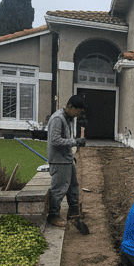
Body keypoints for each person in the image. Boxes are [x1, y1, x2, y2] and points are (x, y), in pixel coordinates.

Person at [46, 94, 87, 231]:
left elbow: (65, 139)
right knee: (59, 189)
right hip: (59, 161)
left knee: (73, 187)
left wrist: (71, 153)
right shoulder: (58, 119)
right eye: (79, 112)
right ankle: (53, 215)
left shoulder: (68, 118)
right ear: (70, 107)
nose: (79, 115)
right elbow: (55, 140)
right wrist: (74, 142)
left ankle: (73, 212)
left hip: (67, 159)